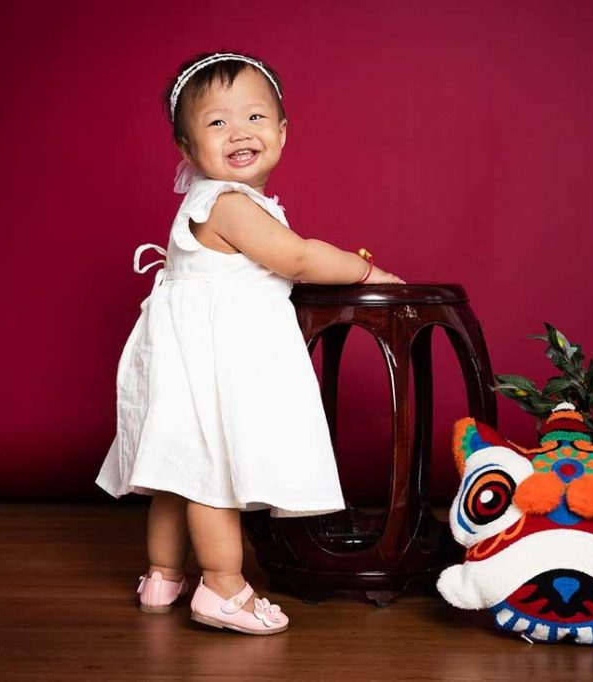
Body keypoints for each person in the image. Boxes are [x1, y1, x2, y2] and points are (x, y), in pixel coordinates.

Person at [96, 51, 404, 636]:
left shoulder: (229, 204)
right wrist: (364, 272)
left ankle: (163, 575)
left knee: (175, 471)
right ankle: (223, 588)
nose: (239, 131)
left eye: (255, 117)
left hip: (189, 353)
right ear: (188, 150)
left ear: (282, 132)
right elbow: (298, 257)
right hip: (211, 361)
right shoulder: (229, 204)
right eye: (216, 123)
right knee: (212, 472)